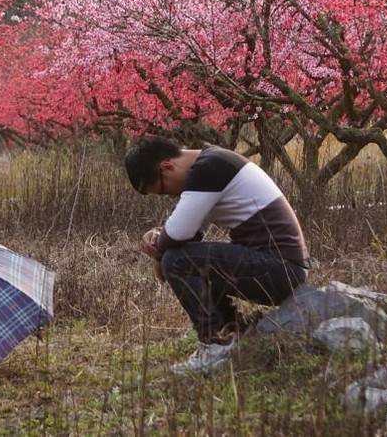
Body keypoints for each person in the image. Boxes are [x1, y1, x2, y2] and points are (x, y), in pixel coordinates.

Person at [125, 135, 311, 373]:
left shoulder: (209, 168)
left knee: (178, 260)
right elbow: (184, 236)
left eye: (163, 191)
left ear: (167, 167)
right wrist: (161, 242)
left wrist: (159, 246)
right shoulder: (211, 163)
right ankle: (230, 331)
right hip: (281, 268)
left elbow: (176, 236)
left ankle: (216, 342)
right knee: (184, 258)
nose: (172, 197)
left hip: (280, 270)